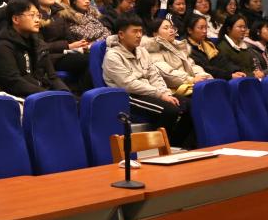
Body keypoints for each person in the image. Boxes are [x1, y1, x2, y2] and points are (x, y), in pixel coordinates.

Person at [103, 15, 194, 147]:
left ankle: (175, 145)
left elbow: (154, 76)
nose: (139, 35)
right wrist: (160, 95)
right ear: (121, 35)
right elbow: (129, 84)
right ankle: (160, 148)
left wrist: (165, 93)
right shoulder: (112, 56)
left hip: (150, 92)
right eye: (134, 31)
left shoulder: (142, 51)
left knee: (190, 106)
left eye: (141, 31)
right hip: (129, 96)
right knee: (170, 110)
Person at [0, 0, 69, 98]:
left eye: (38, 15)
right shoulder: (3, 48)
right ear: (15, 19)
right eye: (32, 15)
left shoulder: (38, 43)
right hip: (25, 99)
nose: (37, 20)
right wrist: (49, 95)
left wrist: (65, 93)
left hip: (44, 93)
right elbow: (14, 83)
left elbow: (52, 77)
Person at [140, 18, 211, 96]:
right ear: (155, 34)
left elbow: (192, 65)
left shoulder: (178, 47)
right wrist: (191, 79)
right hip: (175, 90)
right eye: (166, 28)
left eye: (171, 27)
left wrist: (203, 75)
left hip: (190, 84)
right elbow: (167, 74)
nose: (171, 30)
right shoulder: (152, 51)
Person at [182, 13, 245, 81]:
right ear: (190, 30)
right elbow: (206, 68)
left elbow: (222, 61)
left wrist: (235, 71)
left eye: (206, 27)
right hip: (205, 80)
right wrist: (230, 75)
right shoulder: (185, 47)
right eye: (201, 28)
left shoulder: (208, 44)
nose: (205, 31)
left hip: (221, 77)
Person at [217, 14, 266, 79]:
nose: (243, 30)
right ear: (229, 29)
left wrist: (257, 72)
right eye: (240, 27)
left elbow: (253, 67)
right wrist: (252, 75)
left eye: (244, 27)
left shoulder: (245, 47)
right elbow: (230, 71)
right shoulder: (221, 47)